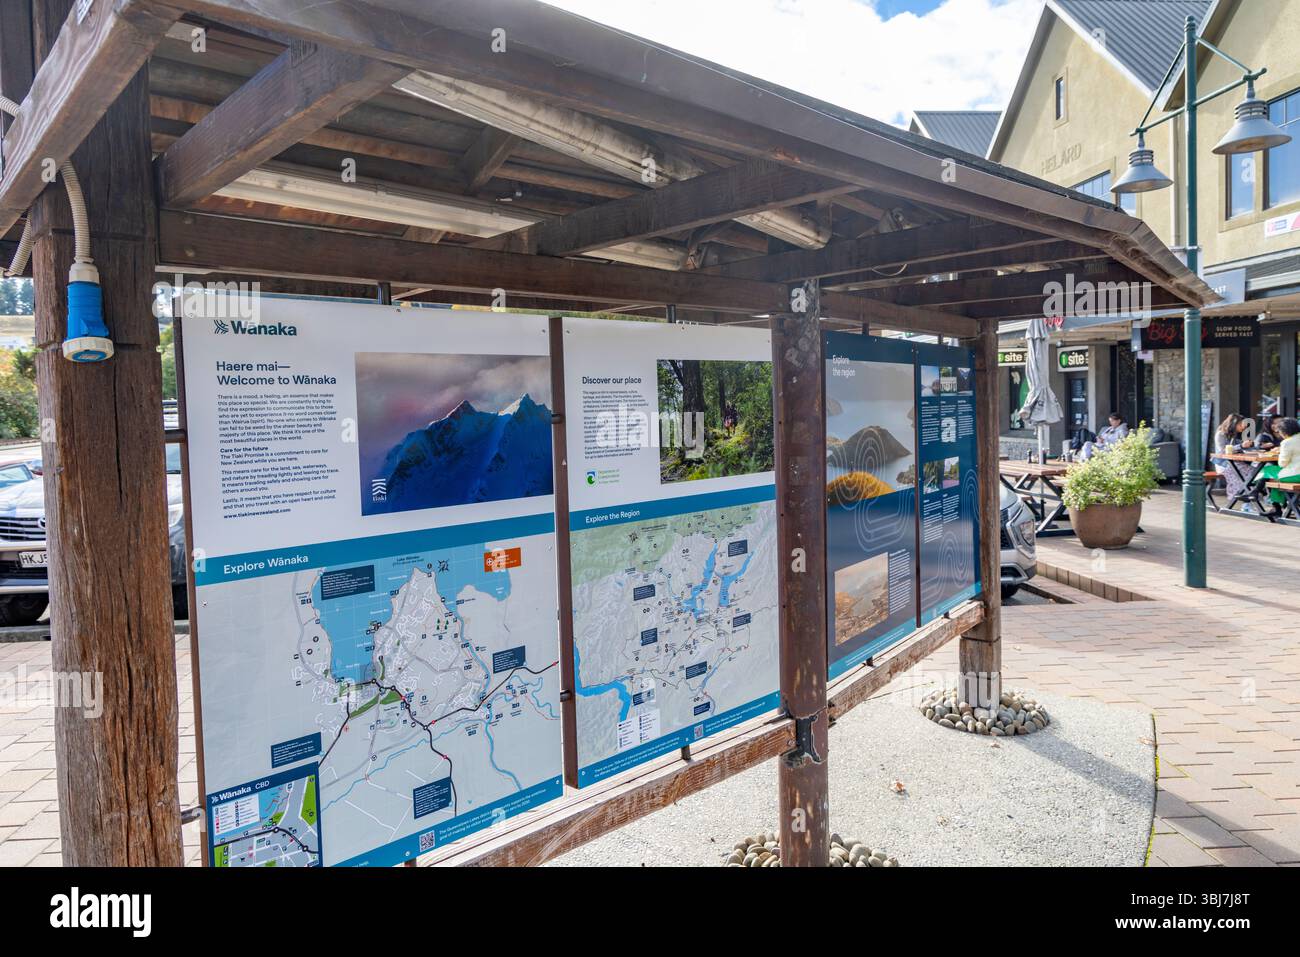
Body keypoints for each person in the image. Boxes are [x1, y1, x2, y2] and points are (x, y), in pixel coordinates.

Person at [1261, 417, 1300, 516]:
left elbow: (1282, 463)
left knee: (1268, 474)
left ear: (1284, 431)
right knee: (1272, 474)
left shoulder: (1286, 442)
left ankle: (1276, 507)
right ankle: (1279, 506)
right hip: (1296, 473)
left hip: (1296, 474)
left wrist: (1280, 453)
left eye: (1279, 431)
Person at [1213, 413, 1252, 510]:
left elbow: (1237, 447)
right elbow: (1223, 451)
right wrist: (1242, 446)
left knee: (1252, 472)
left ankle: (1246, 503)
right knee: (1246, 474)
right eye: (1241, 424)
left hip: (1235, 463)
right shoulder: (1220, 434)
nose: (1243, 427)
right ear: (1234, 423)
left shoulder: (1233, 434)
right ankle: (1243, 502)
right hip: (1223, 464)